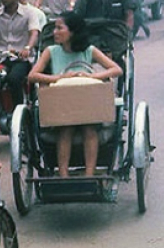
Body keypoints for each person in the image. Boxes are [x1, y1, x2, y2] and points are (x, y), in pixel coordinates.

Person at [28, 12, 122, 177]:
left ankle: (89, 174)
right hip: (64, 104)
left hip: (87, 102)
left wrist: (91, 76)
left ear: (72, 31)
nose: (54, 32)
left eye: (59, 28)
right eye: (55, 28)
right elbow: (32, 76)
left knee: (89, 129)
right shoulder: (51, 51)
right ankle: (63, 175)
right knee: (66, 129)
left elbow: (116, 69)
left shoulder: (89, 51)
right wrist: (59, 77)